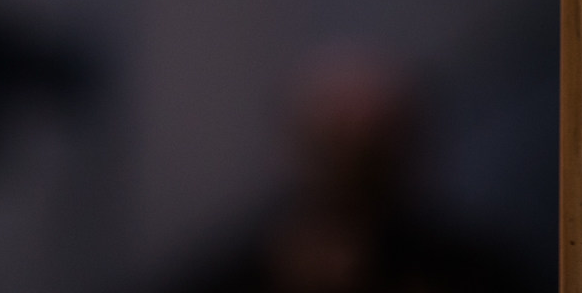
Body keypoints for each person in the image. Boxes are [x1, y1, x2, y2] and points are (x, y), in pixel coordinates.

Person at [170, 49, 528, 293]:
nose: (355, 165)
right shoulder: (242, 269)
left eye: (377, 144)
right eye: (335, 139)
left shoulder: (469, 271)